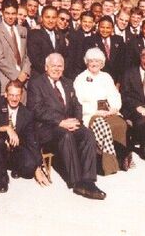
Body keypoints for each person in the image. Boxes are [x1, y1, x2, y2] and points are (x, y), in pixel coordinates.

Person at [27, 53, 106, 200]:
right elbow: (36, 109)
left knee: (87, 134)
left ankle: (89, 180)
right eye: (53, 66)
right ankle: (77, 182)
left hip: (68, 123)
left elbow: (77, 104)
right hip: (47, 128)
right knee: (66, 135)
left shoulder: (68, 82)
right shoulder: (36, 83)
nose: (57, 69)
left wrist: (76, 121)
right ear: (46, 67)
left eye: (60, 66)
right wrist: (61, 122)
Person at [73, 48, 130, 175]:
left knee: (120, 124)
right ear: (86, 62)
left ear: (102, 63)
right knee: (103, 128)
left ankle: (121, 159)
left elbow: (114, 94)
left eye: (97, 61)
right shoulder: (80, 78)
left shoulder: (106, 76)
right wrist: (94, 111)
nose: (94, 63)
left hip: (108, 111)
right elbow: (78, 101)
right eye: (91, 61)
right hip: (91, 113)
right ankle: (108, 165)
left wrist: (114, 108)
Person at [0, 80, 50, 185]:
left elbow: (32, 140)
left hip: (16, 149)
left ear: (21, 96)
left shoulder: (27, 113)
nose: (14, 99)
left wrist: (37, 167)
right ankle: (2, 178)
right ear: (5, 94)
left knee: (29, 169)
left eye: (17, 95)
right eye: (11, 95)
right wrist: (7, 128)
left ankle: (14, 166)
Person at [0, 0, 31, 99]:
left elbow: (26, 55)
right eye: (7, 13)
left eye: (13, 13)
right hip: (7, 80)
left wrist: (25, 72)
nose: (10, 17)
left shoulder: (23, 30)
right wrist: (17, 75)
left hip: (23, 82)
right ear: (2, 13)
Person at [82, 16, 125, 84]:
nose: (105, 30)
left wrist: (119, 83)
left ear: (112, 29)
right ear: (98, 27)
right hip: (97, 80)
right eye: (102, 27)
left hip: (115, 81)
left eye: (108, 28)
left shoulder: (119, 40)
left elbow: (122, 64)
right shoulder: (89, 40)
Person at [27, 5, 67, 77]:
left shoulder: (60, 35)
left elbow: (64, 56)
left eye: (53, 17)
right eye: (47, 17)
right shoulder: (34, 34)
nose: (51, 21)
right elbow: (35, 59)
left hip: (58, 76)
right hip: (40, 77)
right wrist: (51, 73)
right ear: (42, 18)